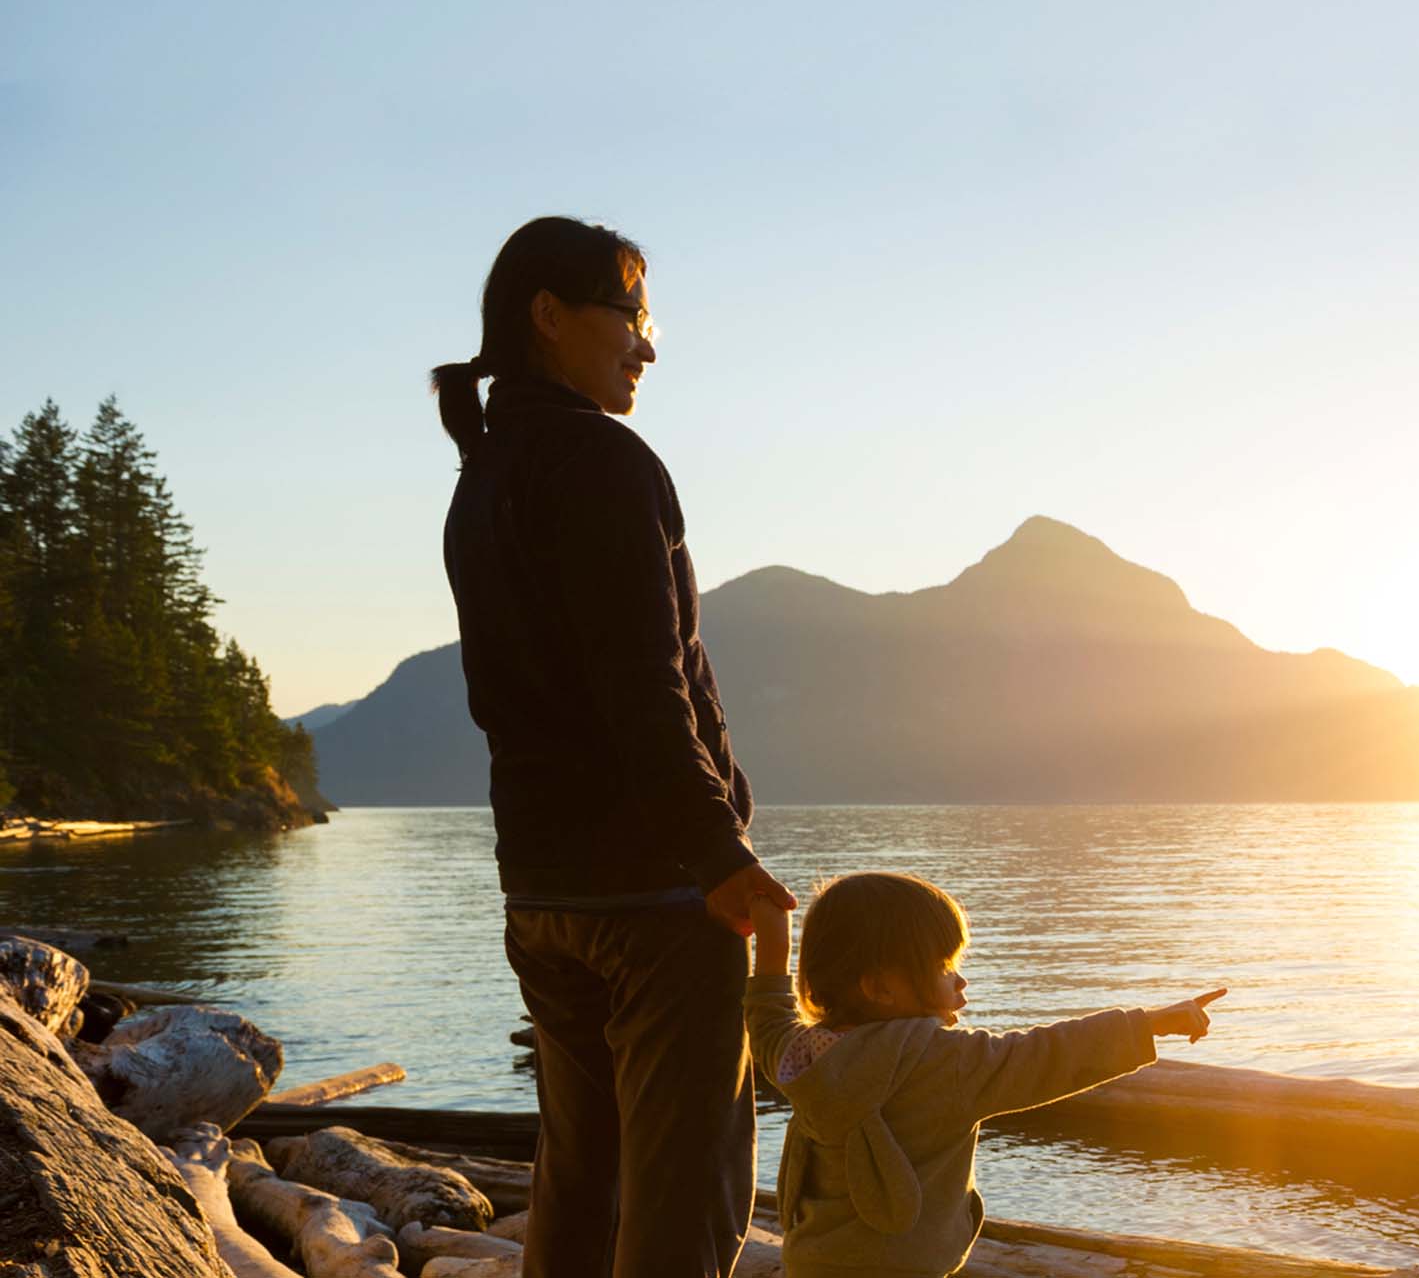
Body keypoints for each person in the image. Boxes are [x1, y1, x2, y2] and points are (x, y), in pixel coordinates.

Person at [432, 216, 795, 1278]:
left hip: (541, 891)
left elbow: (513, 698)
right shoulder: (601, 459)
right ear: (548, 316)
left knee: (581, 1183)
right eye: (631, 314)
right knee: (682, 1201)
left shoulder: (484, 474)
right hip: (653, 896)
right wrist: (717, 854)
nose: (647, 344)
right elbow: (644, 685)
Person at [744, 871, 1226, 1278]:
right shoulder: (947, 1062)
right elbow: (1050, 1055)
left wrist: (772, 936)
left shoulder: (803, 1056)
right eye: (943, 966)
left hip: (811, 1264)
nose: (960, 978)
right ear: (880, 988)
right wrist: (1154, 1022)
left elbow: (767, 1019)